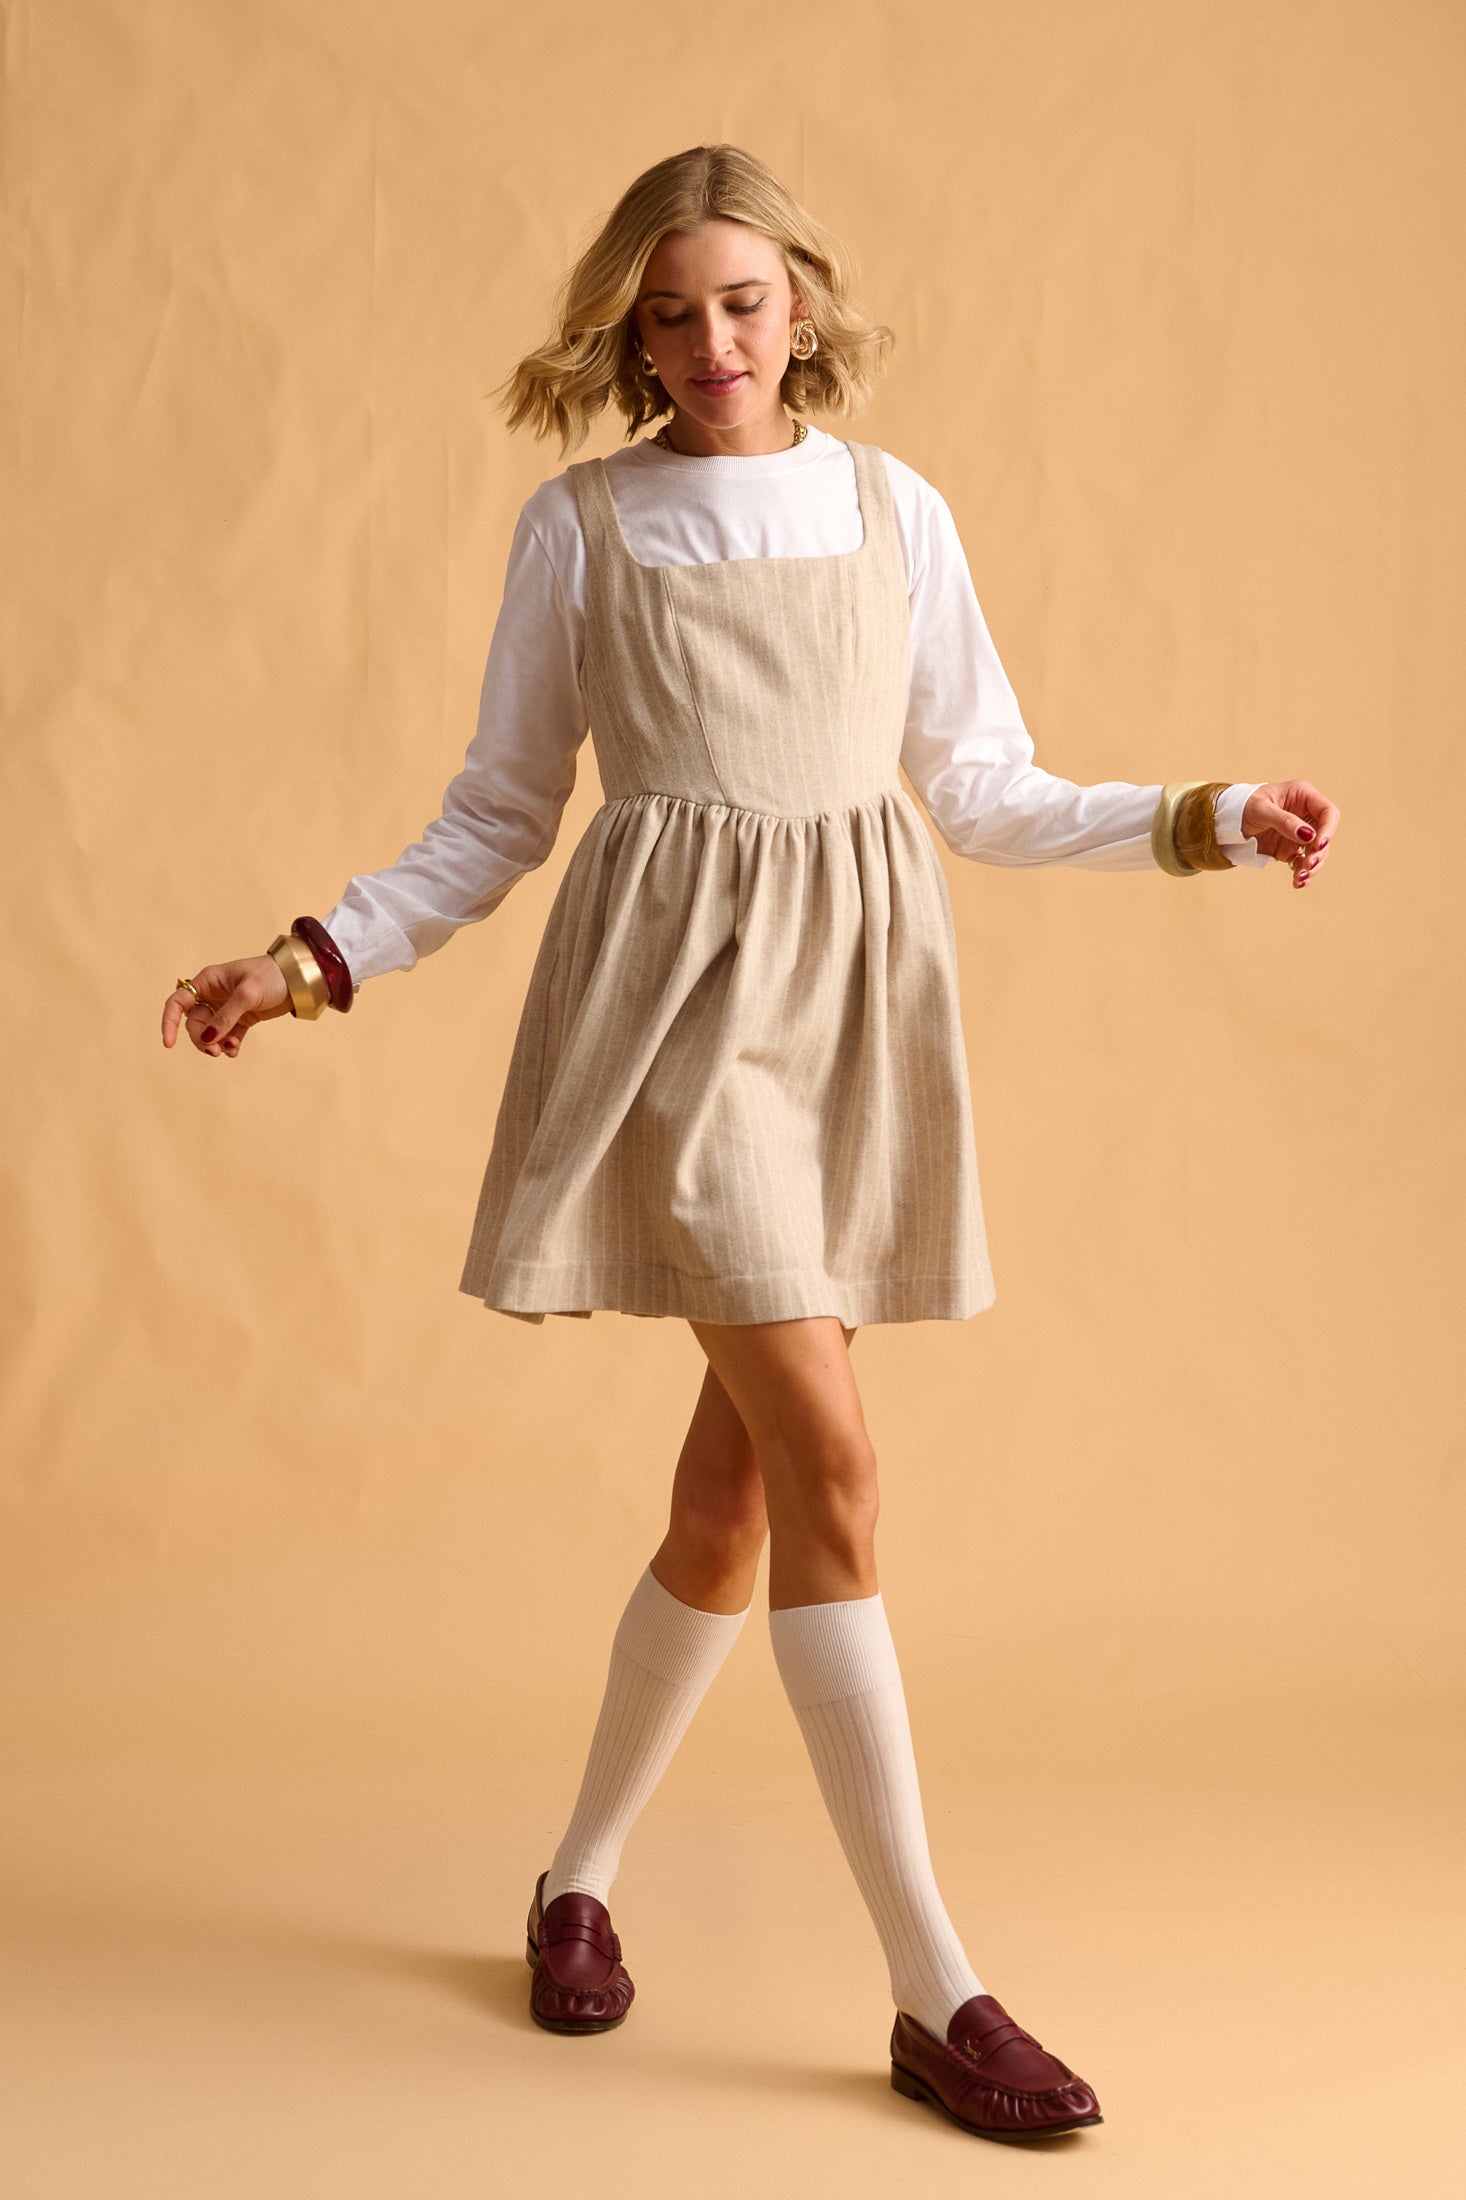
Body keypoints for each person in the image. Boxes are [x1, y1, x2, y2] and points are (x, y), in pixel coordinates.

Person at [160, 143, 1340, 2144]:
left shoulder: (894, 508)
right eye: (667, 311)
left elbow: (981, 784)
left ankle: (575, 1878)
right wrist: (311, 956)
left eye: (739, 301)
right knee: (838, 1469)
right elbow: (499, 811)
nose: (707, 340)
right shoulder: (582, 526)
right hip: (676, 1033)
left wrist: (1204, 815)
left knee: (730, 1508)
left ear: (799, 307)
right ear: (627, 332)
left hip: (851, 1019)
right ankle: (934, 1986)